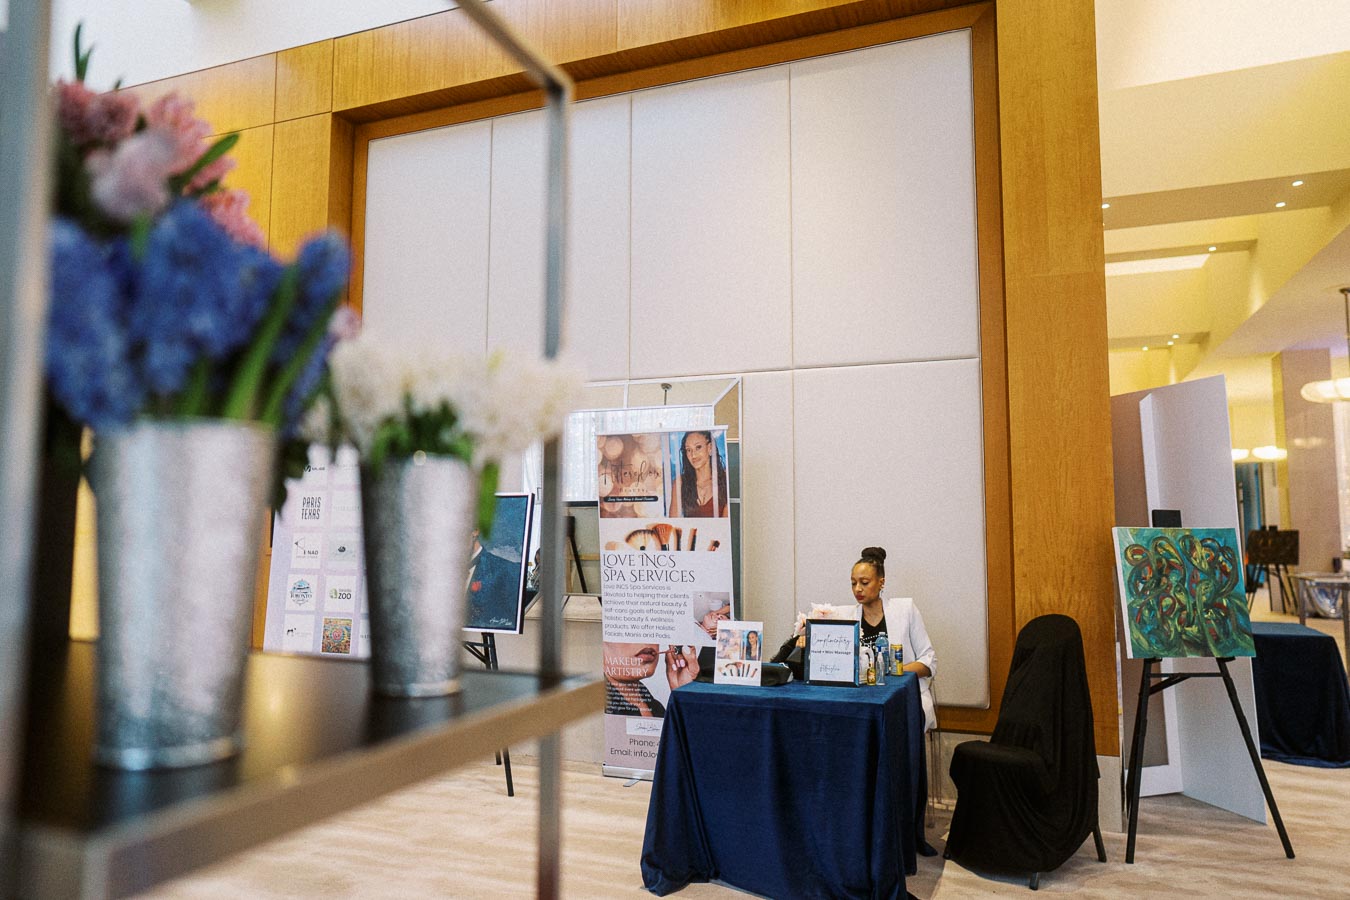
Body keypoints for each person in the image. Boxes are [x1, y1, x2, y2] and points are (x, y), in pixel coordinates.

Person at [848, 546, 938, 730]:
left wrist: (893, 674)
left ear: (881, 583)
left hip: (901, 697)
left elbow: (929, 661)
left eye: (864, 582)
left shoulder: (905, 610)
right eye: (853, 583)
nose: (858, 589)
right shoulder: (848, 617)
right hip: (862, 700)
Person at [602, 642, 700, 717]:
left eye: (652, 629)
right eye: (630, 628)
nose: (646, 638)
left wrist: (682, 698)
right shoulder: (597, 707)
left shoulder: (656, 708)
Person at [668, 430, 729, 518]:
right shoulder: (680, 483)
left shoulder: (725, 479)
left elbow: (725, 526)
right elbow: (673, 524)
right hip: (687, 532)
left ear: (710, 448)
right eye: (689, 450)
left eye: (698, 447)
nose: (693, 455)